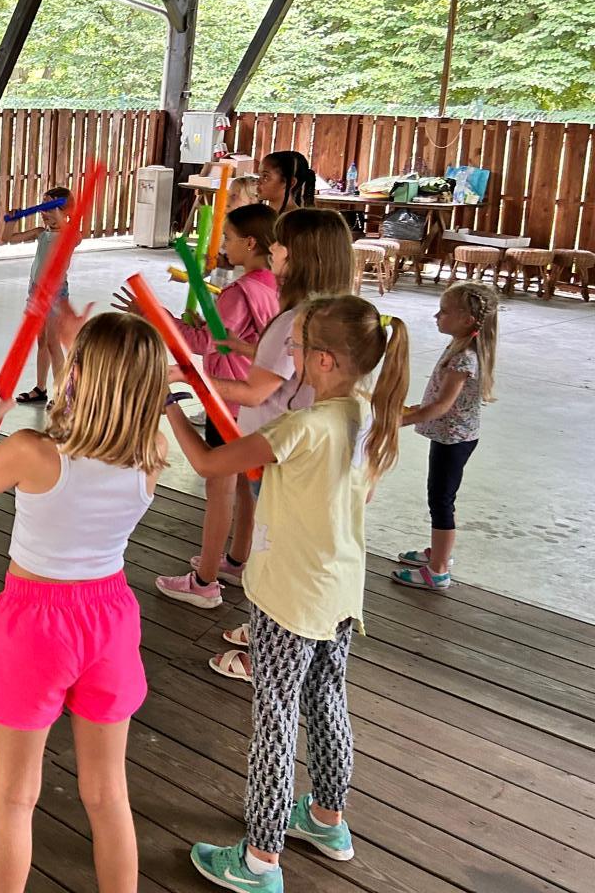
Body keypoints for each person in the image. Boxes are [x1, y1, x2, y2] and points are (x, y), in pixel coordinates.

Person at [165, 296, 408, 892]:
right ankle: (327, 819)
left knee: (274, 717)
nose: (288, 355)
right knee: (326, 699)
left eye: (295, 347)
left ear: (324, 360)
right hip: (339, 588)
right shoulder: (370, 414)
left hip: (289, 595)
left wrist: (169, 405)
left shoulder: (300, 427)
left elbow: (208, 462)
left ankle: (259, 860)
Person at [0, 310, 166, 893]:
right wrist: (72, 348)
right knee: (108, 794)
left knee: (16, 796)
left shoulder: (31, 452)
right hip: (110, 620)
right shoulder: (153, 453)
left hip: (36, 623)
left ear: (79, 376)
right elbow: (101, 422)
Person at [159, 208, 354, 627]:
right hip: (295, 450)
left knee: (281, 548)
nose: (274, 249)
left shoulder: (295, 318)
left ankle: (267, 636)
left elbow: (256, 392)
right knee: (284, 538)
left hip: (282, 448)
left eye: (281, 243)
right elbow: (282, 370)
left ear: (300, 254)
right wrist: (246, 348)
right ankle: (263, 610)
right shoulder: (326, 312)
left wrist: (185, 380)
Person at [130, 204, 279, 606]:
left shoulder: (239, 291)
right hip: (253, 400)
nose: (224, 245)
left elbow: (204, 343)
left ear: (251, 243)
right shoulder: (272, 285)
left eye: (228, 238)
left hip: (227, 401)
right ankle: (237, 560)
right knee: (246, 487)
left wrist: (156, 315)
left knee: (220, 488)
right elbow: (225, 335)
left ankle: (205, 581)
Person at [394, 280, 498, 591]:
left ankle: (438, 569)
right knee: (440, 497)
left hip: (454, 438)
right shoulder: (460, 346)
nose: (436, 316)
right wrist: (415, 408)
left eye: (443, 312)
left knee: (440, 501)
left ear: (467, 320)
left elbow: (442, 406)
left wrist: (400, 420)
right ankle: (439, 552)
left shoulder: (464, 357)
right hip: (452, 435)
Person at [0, 185, 72, 406]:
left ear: (63, 211)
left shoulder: (69, 235)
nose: (44, 212)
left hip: (55, 295)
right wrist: (11, 220)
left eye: (49, 208)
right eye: (43, 207)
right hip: (36, 292)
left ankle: (62, 395)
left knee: (53, 343)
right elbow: (7, 238)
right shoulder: (42, 233)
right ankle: (41, 388)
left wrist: (57, 211)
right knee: (41, 341)